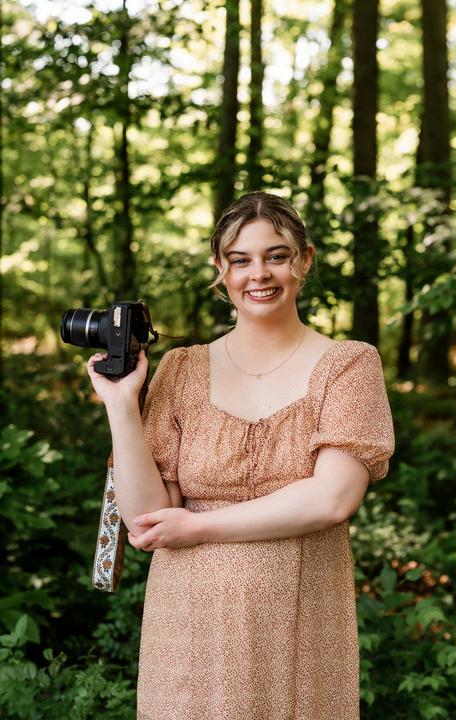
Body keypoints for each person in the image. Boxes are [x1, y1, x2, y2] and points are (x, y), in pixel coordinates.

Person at [87, 191, 395, 720]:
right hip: (187, 624)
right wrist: (121, 404)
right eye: (241, 259)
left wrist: (198, 526)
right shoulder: (181, 369)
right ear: (220, 269)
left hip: (299, 620)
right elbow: (145, 519)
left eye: (276, 255)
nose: (259, 274)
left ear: (305, 260)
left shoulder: (348, 365)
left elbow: (333, 499)